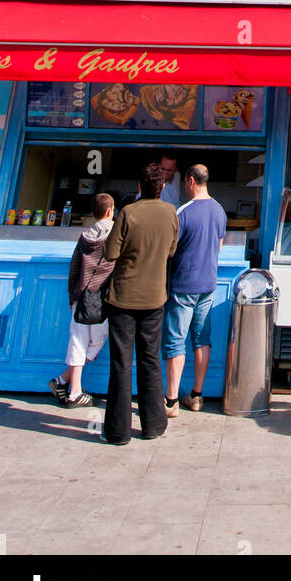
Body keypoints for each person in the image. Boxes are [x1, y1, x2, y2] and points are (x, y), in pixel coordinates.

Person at [102, 161, 178, 445]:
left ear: (139, 187)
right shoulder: (170, 212)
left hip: (122, 297)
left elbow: (111, 253)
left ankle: (118, 431)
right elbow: (172, 249)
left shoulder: (128, 212)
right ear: (161, 187)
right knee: (150, 360)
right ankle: (154, 425)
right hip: (154, 298)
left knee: (121, 363)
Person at [163, 164, 226, 415]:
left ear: (190, 181)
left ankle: (170, 401)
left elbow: (171, 249)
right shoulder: (220, 211)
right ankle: (197, 395)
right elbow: (218, 248)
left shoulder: (183, 212)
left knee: (176, 341)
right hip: (208, 286)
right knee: (202, 339)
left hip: (183, 285)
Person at [49, 193, 115, 408]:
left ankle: (65, 383)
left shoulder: (85, 236)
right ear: (109, 212)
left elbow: (74, 267)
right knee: (98, 339)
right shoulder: (114, 236)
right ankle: (72, 389)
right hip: (100, 296)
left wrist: (72, 294)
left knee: (77, 340)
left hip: (80, 295)